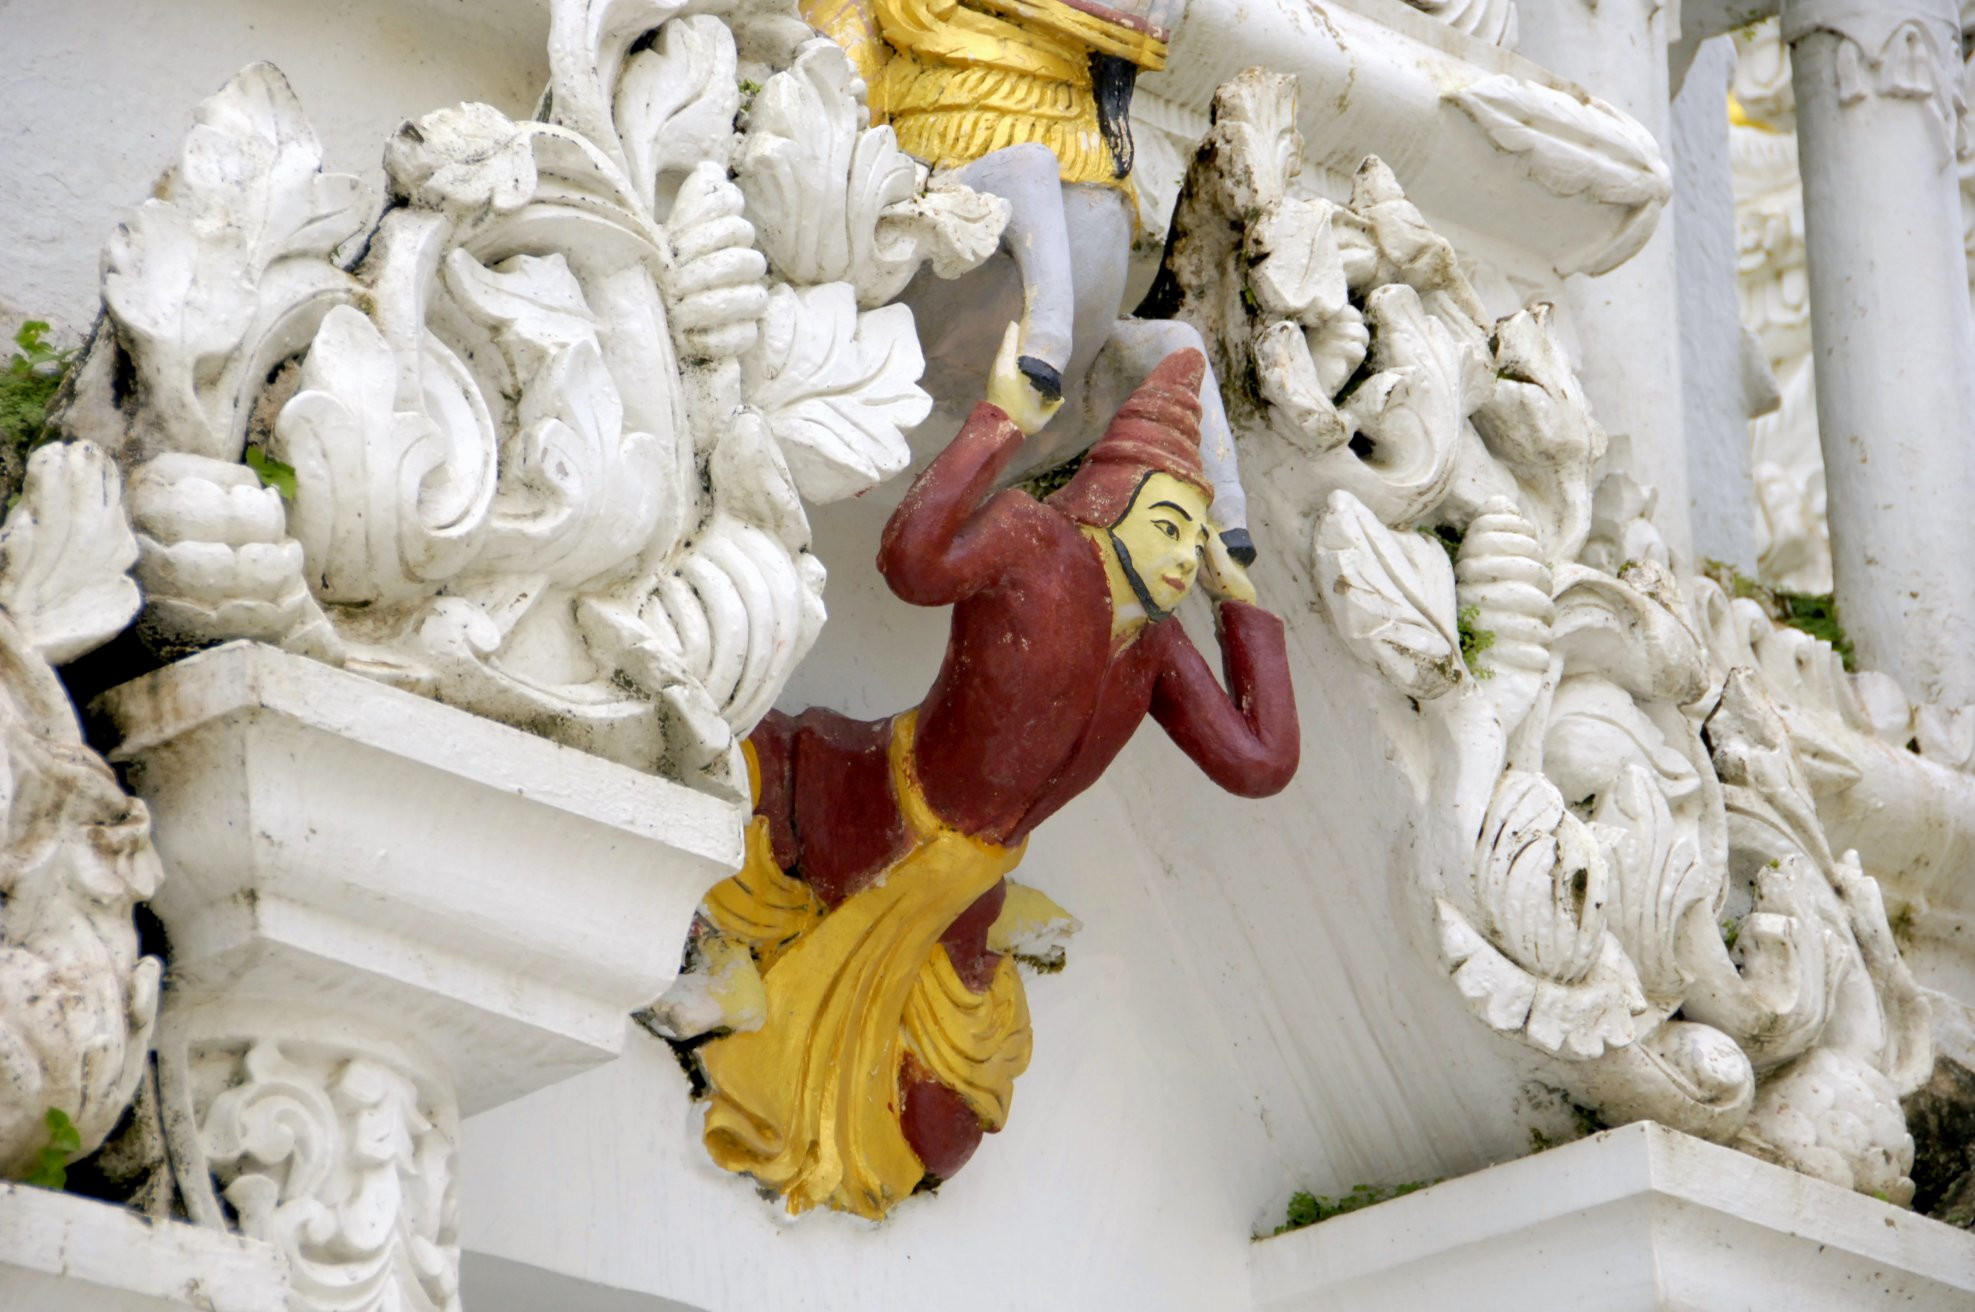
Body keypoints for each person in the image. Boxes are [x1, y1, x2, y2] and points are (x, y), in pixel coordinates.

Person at [692, 334, 1298, 1219]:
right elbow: (911, 563)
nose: (1181, 560)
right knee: (729, 814)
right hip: (870, 801)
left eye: (1195, 543)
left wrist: (1238, 602)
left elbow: (1259, 762)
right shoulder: (1032, 542)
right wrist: (1000, 423)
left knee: (943, 1127)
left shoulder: (1157, 646)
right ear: (1107, 506)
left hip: (962, 888)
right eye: (1168, 526)